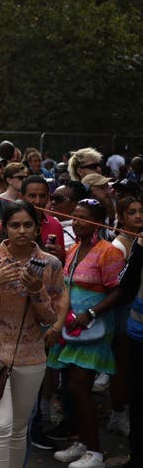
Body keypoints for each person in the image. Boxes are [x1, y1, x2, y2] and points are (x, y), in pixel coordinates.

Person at [0, 199, 64, 468]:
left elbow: (50, 317)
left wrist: (36, 290)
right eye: (15, 225)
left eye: (27, 225)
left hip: (31, 353)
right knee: (1, 426)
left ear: (36, 228)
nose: (21, 230)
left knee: (20, 429)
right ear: (5, 228)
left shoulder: (50, 264)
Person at [48, 198, 125, 468]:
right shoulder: (75, 248)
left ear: (96, 222)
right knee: (70, 388)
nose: (76, 221)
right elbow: (69, 284)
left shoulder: (108, 252)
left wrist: (91, 313)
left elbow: (118, 290)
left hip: (94, 330)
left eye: (82, 218)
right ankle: (82, 442)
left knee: (79, 386)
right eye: (75, 217)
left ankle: (96, 453)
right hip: (71, 328)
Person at [114, 198, 143, 468]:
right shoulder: (139, 245)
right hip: (138, 334)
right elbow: (126, 284)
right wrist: (140, 252)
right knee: (137, 398)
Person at [23, 175, 67, 262]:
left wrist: (59, 255)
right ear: (22, 197)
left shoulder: (55, 225)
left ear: (48, 198)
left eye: (42, 196)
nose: (38, 201)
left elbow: (61, 262)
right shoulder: (10, 223)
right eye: (32, 196)